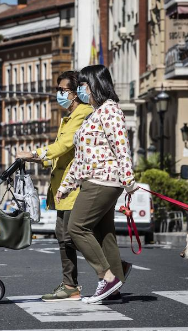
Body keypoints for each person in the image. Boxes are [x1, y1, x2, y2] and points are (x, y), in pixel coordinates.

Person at [56, 64, 136, 304]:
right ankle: (116, 284)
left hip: (103, 179)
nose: (79, 90)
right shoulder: (95, 113)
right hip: (96, 178)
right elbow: (83, 157)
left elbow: (121, 145)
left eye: (81, 85)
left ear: (93, 85)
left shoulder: (110, 111)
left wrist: (129, 178)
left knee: (77, 227)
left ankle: (107, 277)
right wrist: (66, 185)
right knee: (104, 233)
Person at [18, 71, 93, 302]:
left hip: (75, 186)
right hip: (63, 187)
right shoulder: (68, 117)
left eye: (63, 90)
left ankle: (111, 272)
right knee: (64, 235)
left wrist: (35, 153)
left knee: (74, 235)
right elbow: (62, 153)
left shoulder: (83, 114)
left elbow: (64, 145)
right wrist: (38, 159)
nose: (59, 94)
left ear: (74, 93)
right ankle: (71, 284)